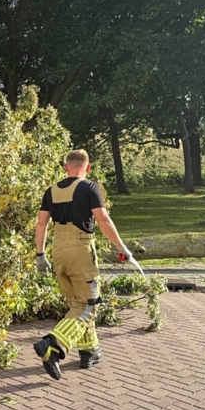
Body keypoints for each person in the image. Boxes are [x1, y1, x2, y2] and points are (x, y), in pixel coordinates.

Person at [32, 150, 139, 380]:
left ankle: (89, 351)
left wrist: (40, 255)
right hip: (80, 250)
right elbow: (102, 219)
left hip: (58, 250)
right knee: (88, 305)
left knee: (75, 304)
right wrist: (122, 248)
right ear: (87, 168)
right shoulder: (89, 188)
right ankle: (52, 344)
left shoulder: (50, 191)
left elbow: (41, 225)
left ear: (65, 166)